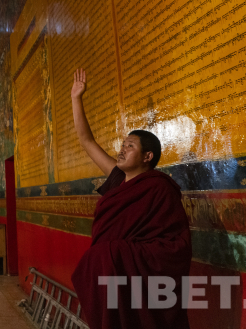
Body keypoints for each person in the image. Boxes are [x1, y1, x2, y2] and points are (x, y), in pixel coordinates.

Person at [69, 68, 192, 329]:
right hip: (112, 274)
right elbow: (86, 141)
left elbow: (174, 247)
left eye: (130, 146)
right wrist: (76, 99)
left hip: (134, 277)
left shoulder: (158, 189)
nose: (122, 150)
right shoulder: (118, 179)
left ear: (147, 156)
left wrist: (115, 253)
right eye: (123, 145)